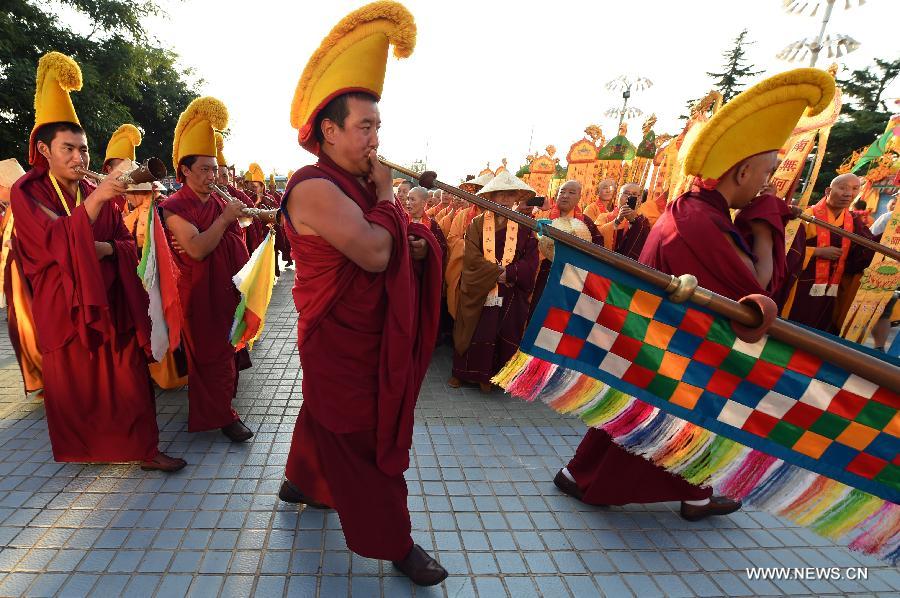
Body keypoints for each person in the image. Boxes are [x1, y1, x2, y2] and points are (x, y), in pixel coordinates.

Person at [556, 67, 836, 519]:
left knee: (653, 414)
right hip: (680, 349)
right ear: (743, 169)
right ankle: (644, 487)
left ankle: (610, 479)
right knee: (678, 417)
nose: (768, 184)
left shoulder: (695, 211)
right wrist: (766, 225)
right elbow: (757, 291)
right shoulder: (700, 221)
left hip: (669, 342)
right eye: (766, 173)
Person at [278, 2, 447, 586]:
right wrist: (389, 203)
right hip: (335, 333)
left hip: (363, 333)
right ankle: (394, 542)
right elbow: (375, 252)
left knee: (326, 414)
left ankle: (301, 480)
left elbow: (391, 244)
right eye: (365, 126)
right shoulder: (313, 187)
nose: (377, 137)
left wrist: (413, 240)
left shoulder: (354, 182)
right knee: (359, 432)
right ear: (329, 131)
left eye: (378, 125)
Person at [10, 52, 184, 471]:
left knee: (128, 377)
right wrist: (100, 199)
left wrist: (107, 248)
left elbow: (123, 243)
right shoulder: (27, 191)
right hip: (64, 303)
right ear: (44, 150)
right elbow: (54, 240)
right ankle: (85, 449)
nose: (79, 159)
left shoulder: (92, 190)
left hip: (110, 301)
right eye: (68, 149)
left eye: (83, 149)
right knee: (76, 383)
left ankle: (146, 449)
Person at [160, 96, 255, 442]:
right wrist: (226, 218)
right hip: (198, 293)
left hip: (228, 288)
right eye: (204, 169)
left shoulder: (216, 198)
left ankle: (223, 407)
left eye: (215, 169)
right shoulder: (174, 206)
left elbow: (239, 226)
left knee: (228, 351)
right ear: (184, 170)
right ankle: (224, 417)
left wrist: (239, 214)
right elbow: (197, 249)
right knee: (210, 357)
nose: (212, 176)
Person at [449, 170, 539, 393]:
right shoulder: (477, 224)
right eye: (500, 195)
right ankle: (465, 374)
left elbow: (531, 259)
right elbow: (471, 257)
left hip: (510, 289)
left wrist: (509, 273)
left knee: (503, 331)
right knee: (475, 331)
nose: (506, 200)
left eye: (510, 195)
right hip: (481, 288)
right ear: (491, 197)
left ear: (517, 198)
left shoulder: (526, 226)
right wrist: (494, 273)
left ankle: (498, 377)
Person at [781, 173, 875, 333]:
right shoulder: (806, 216)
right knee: (794, 328)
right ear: (828, 191)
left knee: (820, 332)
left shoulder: (854, 222)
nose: (848, 194)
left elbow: (866, 251)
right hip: (801, 285)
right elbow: (784, 249)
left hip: (832, 290)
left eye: (854, 189)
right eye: (843, 188)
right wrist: (817, 251)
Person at [529, 180, 602, 317]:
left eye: (571, 193)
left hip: (571, 275)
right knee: (537, 311)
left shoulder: (585, 222)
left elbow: (598, 247)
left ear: (579, 197)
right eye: (562, 192)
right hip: (542, 273)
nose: (565, 196)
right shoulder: (543, 217)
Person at [0, 158, 43, 394]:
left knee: (31, 329)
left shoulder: (27, 206)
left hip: (28, 278)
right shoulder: (10, 209)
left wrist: (14, 244)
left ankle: (48, 375)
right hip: (15, 277)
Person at [215, 134, 264, 255]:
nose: (221, 181)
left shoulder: (238, 195)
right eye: (217, 176)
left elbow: (252, 218)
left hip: (239, 243)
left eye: (225, 176)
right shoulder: (206, 195)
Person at [597, 182, 653, 260]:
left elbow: (647, 245)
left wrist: (633, 222)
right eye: (626, 193)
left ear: (640, 200)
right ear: (617, 197)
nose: (629, 197)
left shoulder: (643, 222)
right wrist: (617, 220)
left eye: (634, 194)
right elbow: (596, 236)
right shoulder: (604, 217)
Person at [101, 124, 142, 212]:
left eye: (131, 167)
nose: (128, 172)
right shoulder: (101, 198)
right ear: (109, 169)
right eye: (122, 167)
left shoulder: (140, 194)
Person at [406, 186, 447, 265]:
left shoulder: (433, 225)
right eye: (408, 199)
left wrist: (427, 248)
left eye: (412, 199)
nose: (408, 202)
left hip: (424, 268)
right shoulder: (402, 221)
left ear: (423, 203)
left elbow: (441, 249)